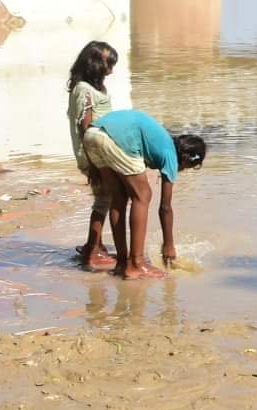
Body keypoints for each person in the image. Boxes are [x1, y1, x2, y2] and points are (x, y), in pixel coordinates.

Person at [79, 108, 207, 280]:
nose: (181, 170)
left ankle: (122, 263)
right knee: (143, 195)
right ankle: (136, 264)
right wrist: (168, 245)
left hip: (92, 134)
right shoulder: (170, 154)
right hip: (115, 138)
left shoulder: (160, 142)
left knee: (119, 197)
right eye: (186, 168)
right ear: (186, 158)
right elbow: (165, 207)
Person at [66, 41, 120, 271]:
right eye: (109, 64)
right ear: (96, 64)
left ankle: (93, 245)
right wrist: (94, 165)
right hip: (95, 155)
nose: (112, 70)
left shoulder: (95, 89)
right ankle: (92, 249)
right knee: (104, 199)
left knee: (105, 199)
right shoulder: (84, 91)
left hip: (102, 152)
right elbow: (85, 129)